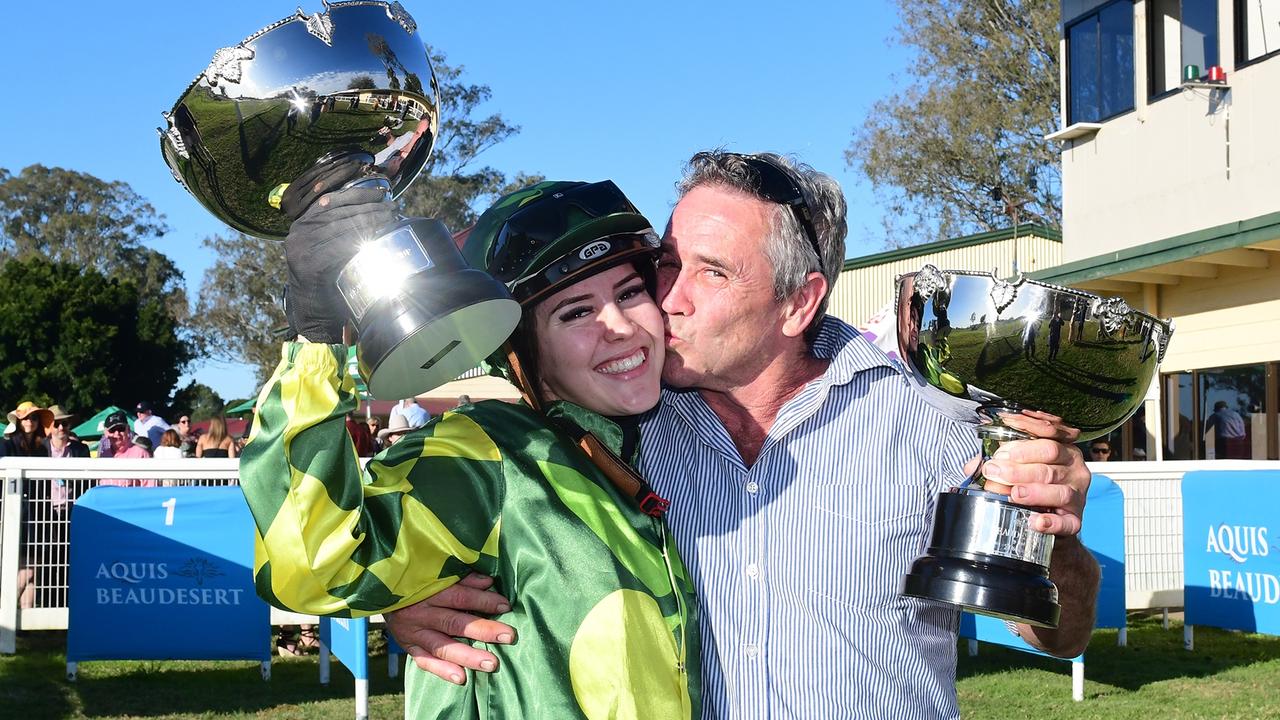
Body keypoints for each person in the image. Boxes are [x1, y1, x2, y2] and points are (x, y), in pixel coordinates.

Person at [389, 151, 1098, 718]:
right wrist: (420, 603)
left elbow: (1058, 635)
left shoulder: (929, 427)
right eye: (667, 262)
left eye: (713, 272)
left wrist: (1058, 542)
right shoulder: (618, 432)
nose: (668, 297)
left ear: (798, 303)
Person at [239, 179, 699, 719]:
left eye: (629, 293)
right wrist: (316, 339)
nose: (620, 327)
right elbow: (314, 564)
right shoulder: (487, 452)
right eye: (575, 312)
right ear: (519, 348)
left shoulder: (666, 438)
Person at [5, 401, 53, 609]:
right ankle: (5, 611)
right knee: (27, 568)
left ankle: (25, 622)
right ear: (18, 421)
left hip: (37, 512)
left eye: (34, 418)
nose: (29, 421)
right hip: (13, 512)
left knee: (34, 569)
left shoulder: (42, 449)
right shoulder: (6, 444)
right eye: (25, 417)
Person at [97, 410, 156, 487]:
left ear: (127, 429)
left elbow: (150, 487)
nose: (117, 434)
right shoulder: (104, 455)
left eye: (121, 429)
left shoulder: (140, 453)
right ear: (107, 433)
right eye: (112, 430)